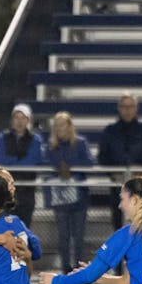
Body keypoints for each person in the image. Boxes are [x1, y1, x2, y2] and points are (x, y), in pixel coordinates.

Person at [98, 93, 142, 230]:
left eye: (131, 106)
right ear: (119, 108)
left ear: (136, 108)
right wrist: (114, 174)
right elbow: (102, 157)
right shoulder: (109, 131)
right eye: (124, 106)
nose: (127, 110)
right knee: (119, 223)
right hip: (117, 187)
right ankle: (122, 251)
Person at [44, 111, 94, 272]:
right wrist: (60, 167)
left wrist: (70, 166)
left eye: (63, 124)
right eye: (57, 125)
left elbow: (88, 163)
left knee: (78, 235)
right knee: (63, 235)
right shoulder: (51, 146)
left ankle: (78, 267)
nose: (59, 128)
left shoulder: (80, 143)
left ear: (70, 126)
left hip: (79, 196)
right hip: (60, 197)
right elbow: (47, 164)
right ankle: (65, 267)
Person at [0, 104, 44, 227]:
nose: (19, 121)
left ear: (28, 120)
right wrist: (19, 160)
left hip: (26, 192)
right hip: (5, 192)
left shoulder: (35, 139)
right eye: (16, 117)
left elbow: (33, 160)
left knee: (23, 230)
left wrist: (11, 162)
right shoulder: (3, 136)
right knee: (4, 229)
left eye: (23, 118)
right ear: (12, 120)